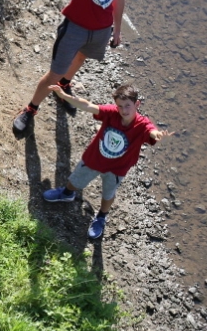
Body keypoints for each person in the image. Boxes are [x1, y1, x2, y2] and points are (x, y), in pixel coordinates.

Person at [13, 0, 136, 134]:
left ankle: (65, 84)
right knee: (55, 72)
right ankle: (31, 108)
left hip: (101, 30)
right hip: (75, 27)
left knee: (81, 58)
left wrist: (117, 31)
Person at [41, 83, 167, 239]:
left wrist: (157, 134)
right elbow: (87, 105)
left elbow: (152, 132)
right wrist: (64, 96)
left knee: (108, 194)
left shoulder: (142, 125)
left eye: (128, 106)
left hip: (116, 169)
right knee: (75, 180)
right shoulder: (112, 113)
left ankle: (101, 216)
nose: (123, 110)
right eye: (120, 106)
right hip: (94, 159)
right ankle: (67, 193)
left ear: (137, 104)